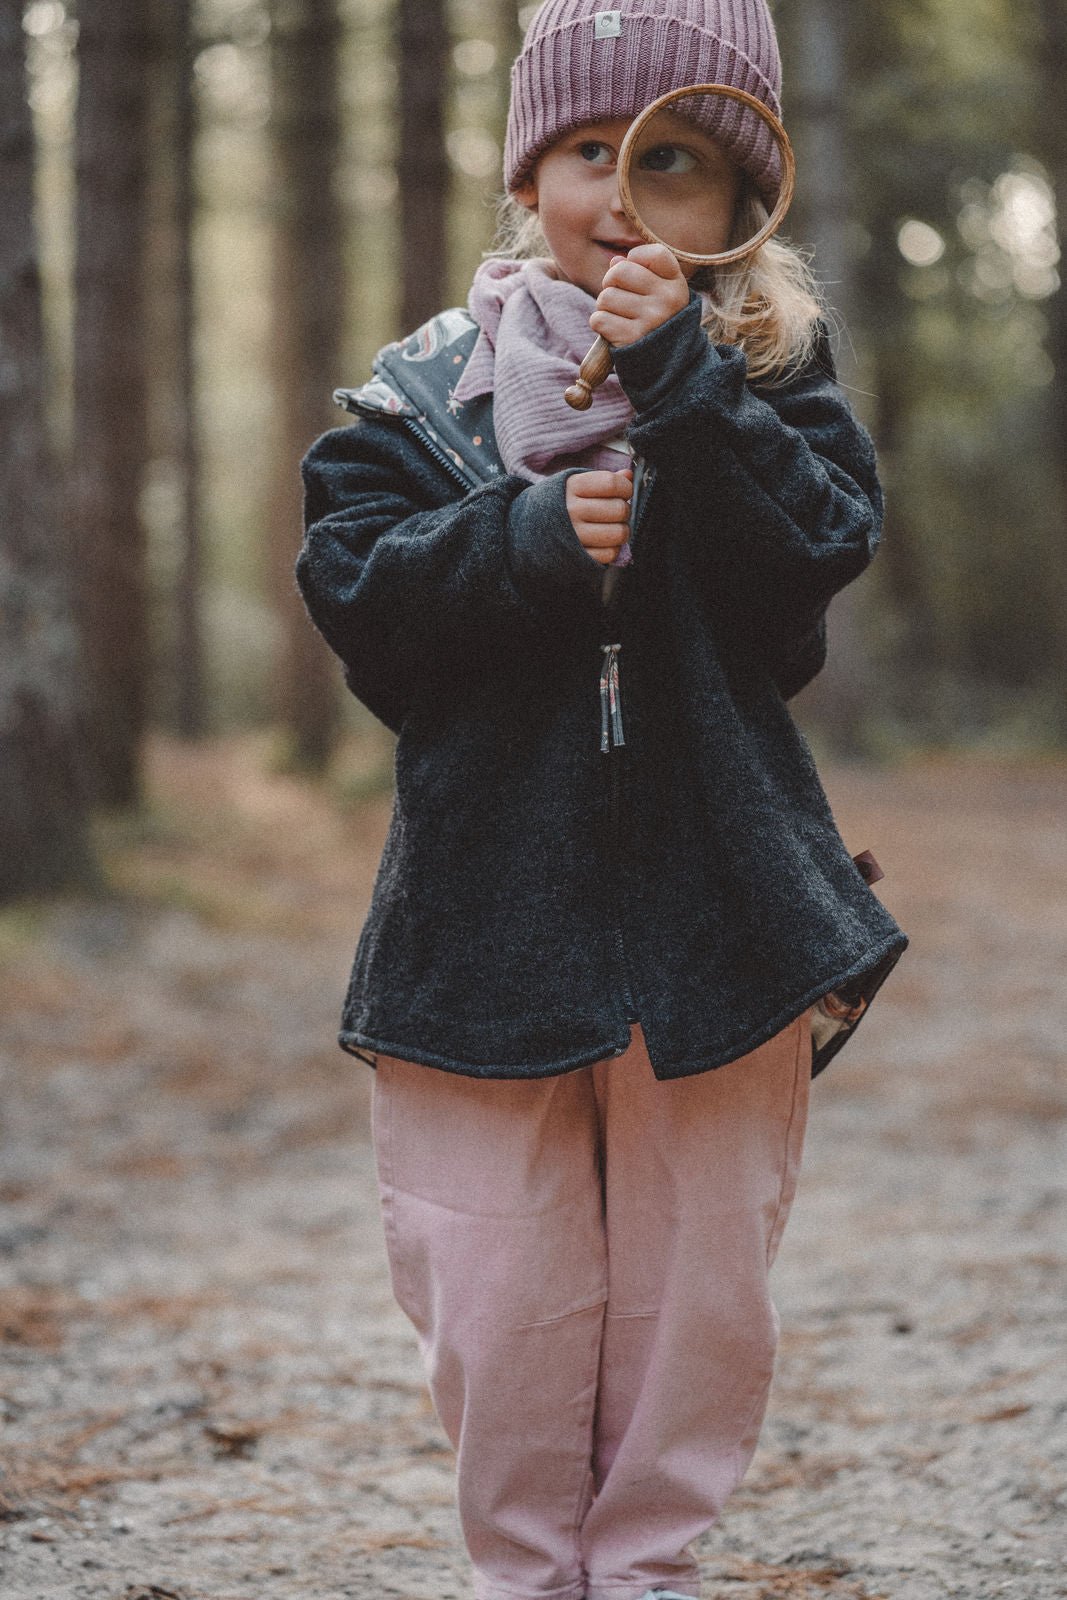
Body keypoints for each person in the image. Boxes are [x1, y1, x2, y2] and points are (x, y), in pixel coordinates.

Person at [295, 3, 908, 1596]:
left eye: (681, 163)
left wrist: (686, 388)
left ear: (738, 204)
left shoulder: (766, 378)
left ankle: (643, 1572)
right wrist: (531, 542)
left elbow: (817, 558)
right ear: (529, 173)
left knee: (698, 1294)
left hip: (725, 913)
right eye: (591, 153)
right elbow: (360, 601)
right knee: (493, 1289)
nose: (628, 195)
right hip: (480, 920)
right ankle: (526, 1574)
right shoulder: (423, 394)